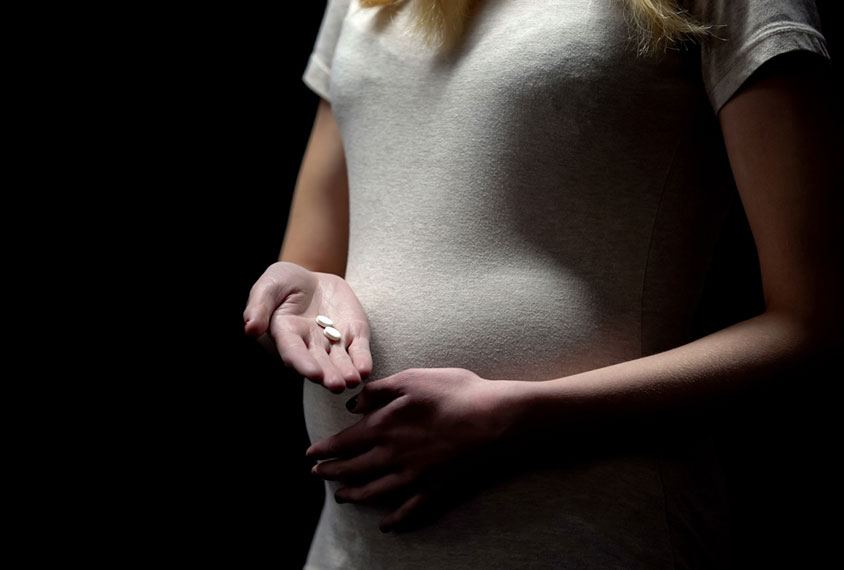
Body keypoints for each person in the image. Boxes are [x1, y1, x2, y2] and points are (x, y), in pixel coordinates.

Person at [243, 0, 841, 568]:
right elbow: (311, 265)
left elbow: (810, 322)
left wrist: (527, 416)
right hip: (351, 547)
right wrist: (296, 294)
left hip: (589, 533)